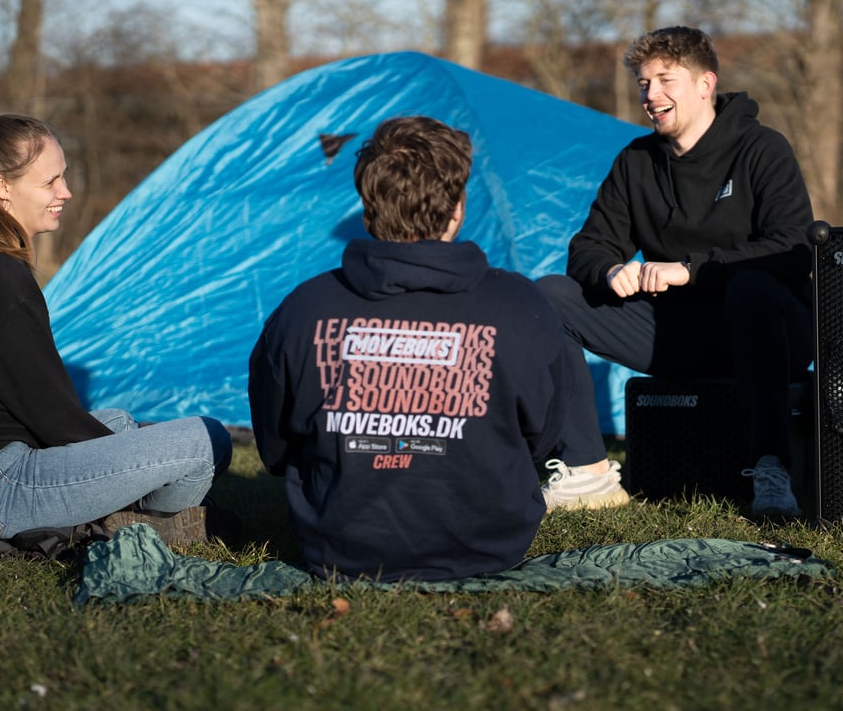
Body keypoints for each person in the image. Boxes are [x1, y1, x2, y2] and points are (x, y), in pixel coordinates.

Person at [247, 115, 629, 583]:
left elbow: (275, 447)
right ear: (459, 208)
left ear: (368, 209)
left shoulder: (303, 309)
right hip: (489, 544)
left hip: (341, 547)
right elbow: (543, 436)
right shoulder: (522, 306)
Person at [0, 114, 232, 545]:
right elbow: (53, 415)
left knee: (120, 422)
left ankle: (123, 513)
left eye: (64, 177)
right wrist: (128, 464)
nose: (65, 192)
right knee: (206, 440)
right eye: (50, 181)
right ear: (1, 187)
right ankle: (155, 529)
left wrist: (120, 451)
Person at [538, 26, 814, 518]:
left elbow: (791, 249)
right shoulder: (635, 162)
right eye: (643, 83)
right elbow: (587, 249)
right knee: (549, 295)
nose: (651, 95)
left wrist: (689, 271)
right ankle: (588, 475)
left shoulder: (764, 149)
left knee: (753, 286)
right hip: (674, 336)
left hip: (768, 330)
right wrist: (608, 271)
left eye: (665, 80)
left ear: (705, 84)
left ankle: (772, 468)